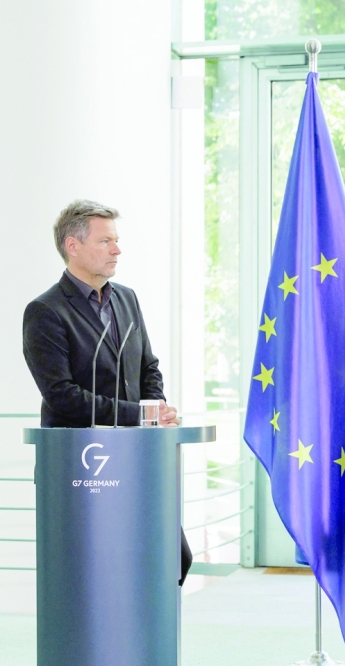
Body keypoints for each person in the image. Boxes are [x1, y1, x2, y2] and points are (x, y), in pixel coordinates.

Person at [22, 199, 192, 585]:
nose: (117, 249)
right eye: (106, 241)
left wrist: (156, 407)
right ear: (73, 246)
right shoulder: (45, 312)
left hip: (138, 461)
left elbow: (148, 365)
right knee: (93, 578)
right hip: (79, 471)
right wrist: (140, 415)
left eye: (116, 240)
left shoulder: (126, 298)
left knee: (167, 561)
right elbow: (62, 395)